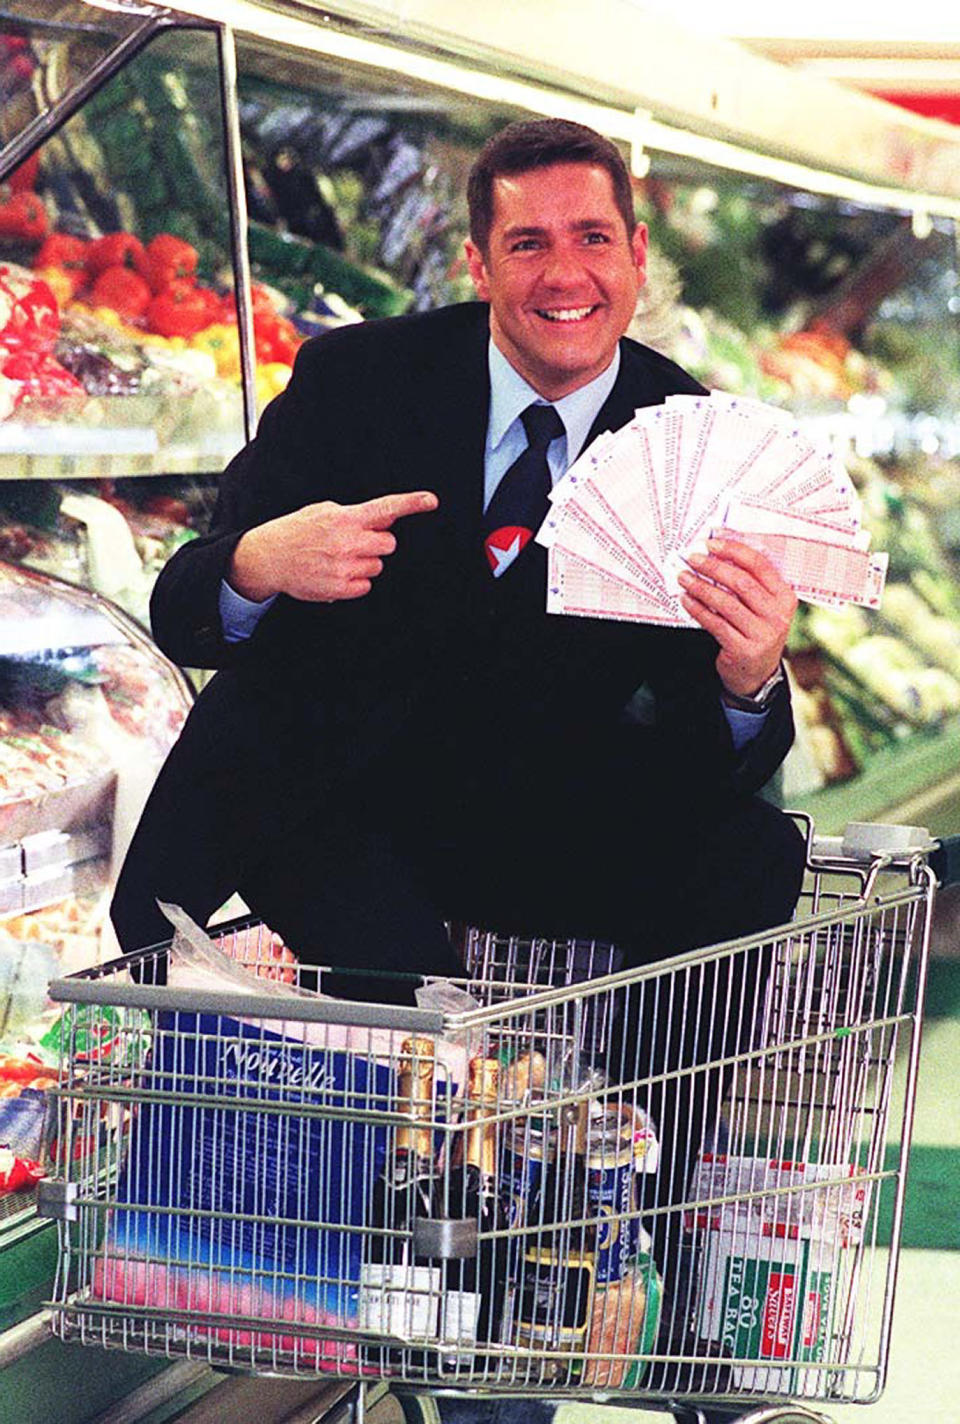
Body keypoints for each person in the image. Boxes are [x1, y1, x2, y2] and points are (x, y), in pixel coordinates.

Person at [111, 119, 807, 1422]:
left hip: (557, 814)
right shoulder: (358, 383)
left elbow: (731, 757)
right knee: (416, 1016)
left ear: (636, 256)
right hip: (348, 815)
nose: (564, 274)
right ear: (479, 259)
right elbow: (186, 601)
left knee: (754, 856)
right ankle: (455, 1319)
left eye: (592, 238)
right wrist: (262, 564)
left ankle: (657, 1268)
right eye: (528, 241)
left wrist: (747, 678)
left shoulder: (692, 439)